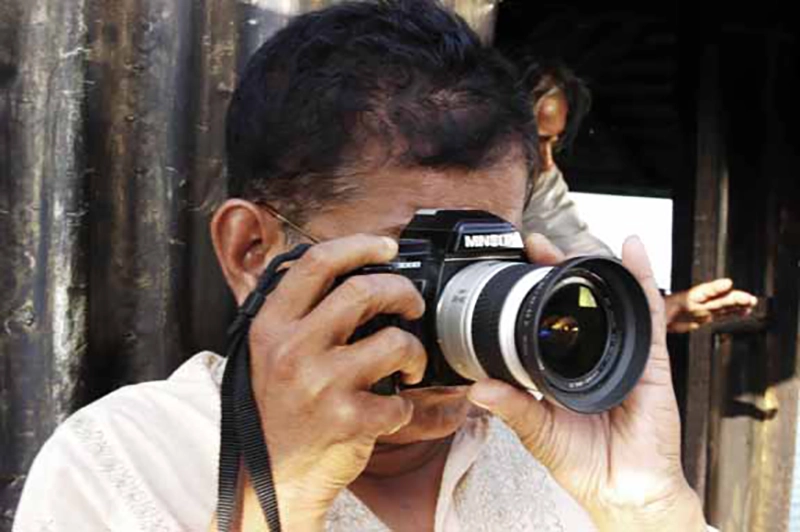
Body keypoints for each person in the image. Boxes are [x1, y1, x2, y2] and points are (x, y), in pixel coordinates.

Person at [15, 2, 713, 531]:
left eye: (484, 253)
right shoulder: (127, 460)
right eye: (418, 259)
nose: (459, 305)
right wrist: (283, 493)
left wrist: (649, 507)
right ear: (253, 254)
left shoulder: (554, 450)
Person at [522, 62, 757, 333]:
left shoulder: (542, 181)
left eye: (553, 142)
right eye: (535, 140)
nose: (548, 161)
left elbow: (583, 253)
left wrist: (664, 308)